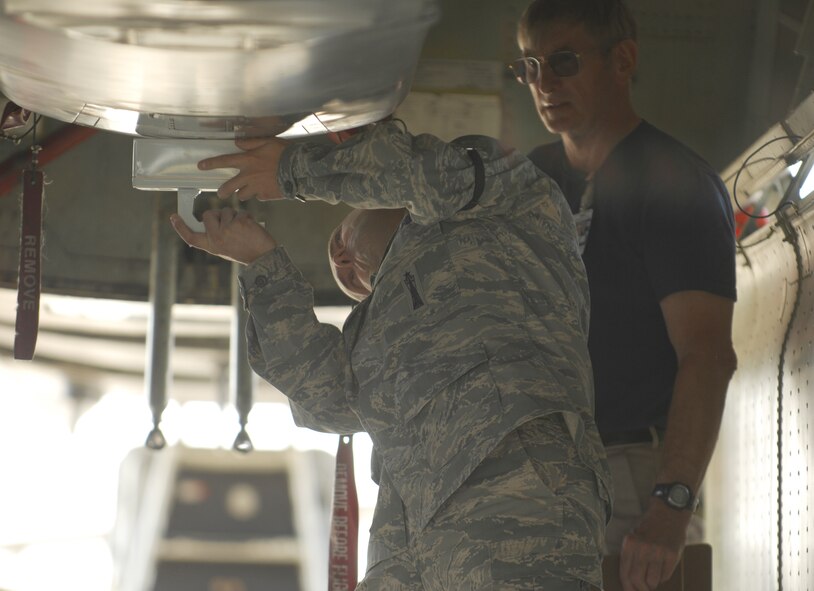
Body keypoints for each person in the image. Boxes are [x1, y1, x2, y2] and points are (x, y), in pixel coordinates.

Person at [171, 120, 612, 590]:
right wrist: (263, 265)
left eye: (342, 248)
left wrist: (294, 169)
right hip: (407, 542)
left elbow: (420, 173)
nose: (343, 262)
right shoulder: (379, 331)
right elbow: (326, 400)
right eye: (352, 275)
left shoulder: (509, 205)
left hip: (516, 506)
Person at [512, 0, 738, 589]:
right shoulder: (525, 185)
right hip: (534, 476)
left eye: (563, 61)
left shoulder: (676, 185)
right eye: (530, 67)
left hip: (632, 479)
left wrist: (673, 502)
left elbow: (707, 355)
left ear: (623, 60)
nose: (545, 83)